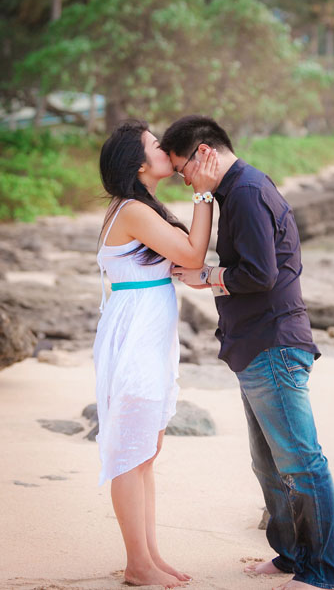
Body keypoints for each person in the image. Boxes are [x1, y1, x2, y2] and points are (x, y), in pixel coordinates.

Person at [160, 115, 334, 590]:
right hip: (255, 343)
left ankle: (322, 572)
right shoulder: (236, 188)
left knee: (302, 461)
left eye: (183, 170)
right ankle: (291, 555)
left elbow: (260, 274)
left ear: (205, 154)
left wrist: (209, 278)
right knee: (269, 462)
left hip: (274, 343)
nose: (184, 181)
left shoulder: (243, 191)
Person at [94, 118, 219, 588]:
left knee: (146, 447)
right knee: (131, 450)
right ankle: (136, 564)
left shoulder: (141, 206)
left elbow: (184, 260)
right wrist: (203, 194)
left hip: (147, 331)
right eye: (154, 144)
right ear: (138, 163)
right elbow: (190, 255)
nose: (165, 147)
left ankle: (147, 555)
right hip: (135, 335)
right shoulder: (130, 209)